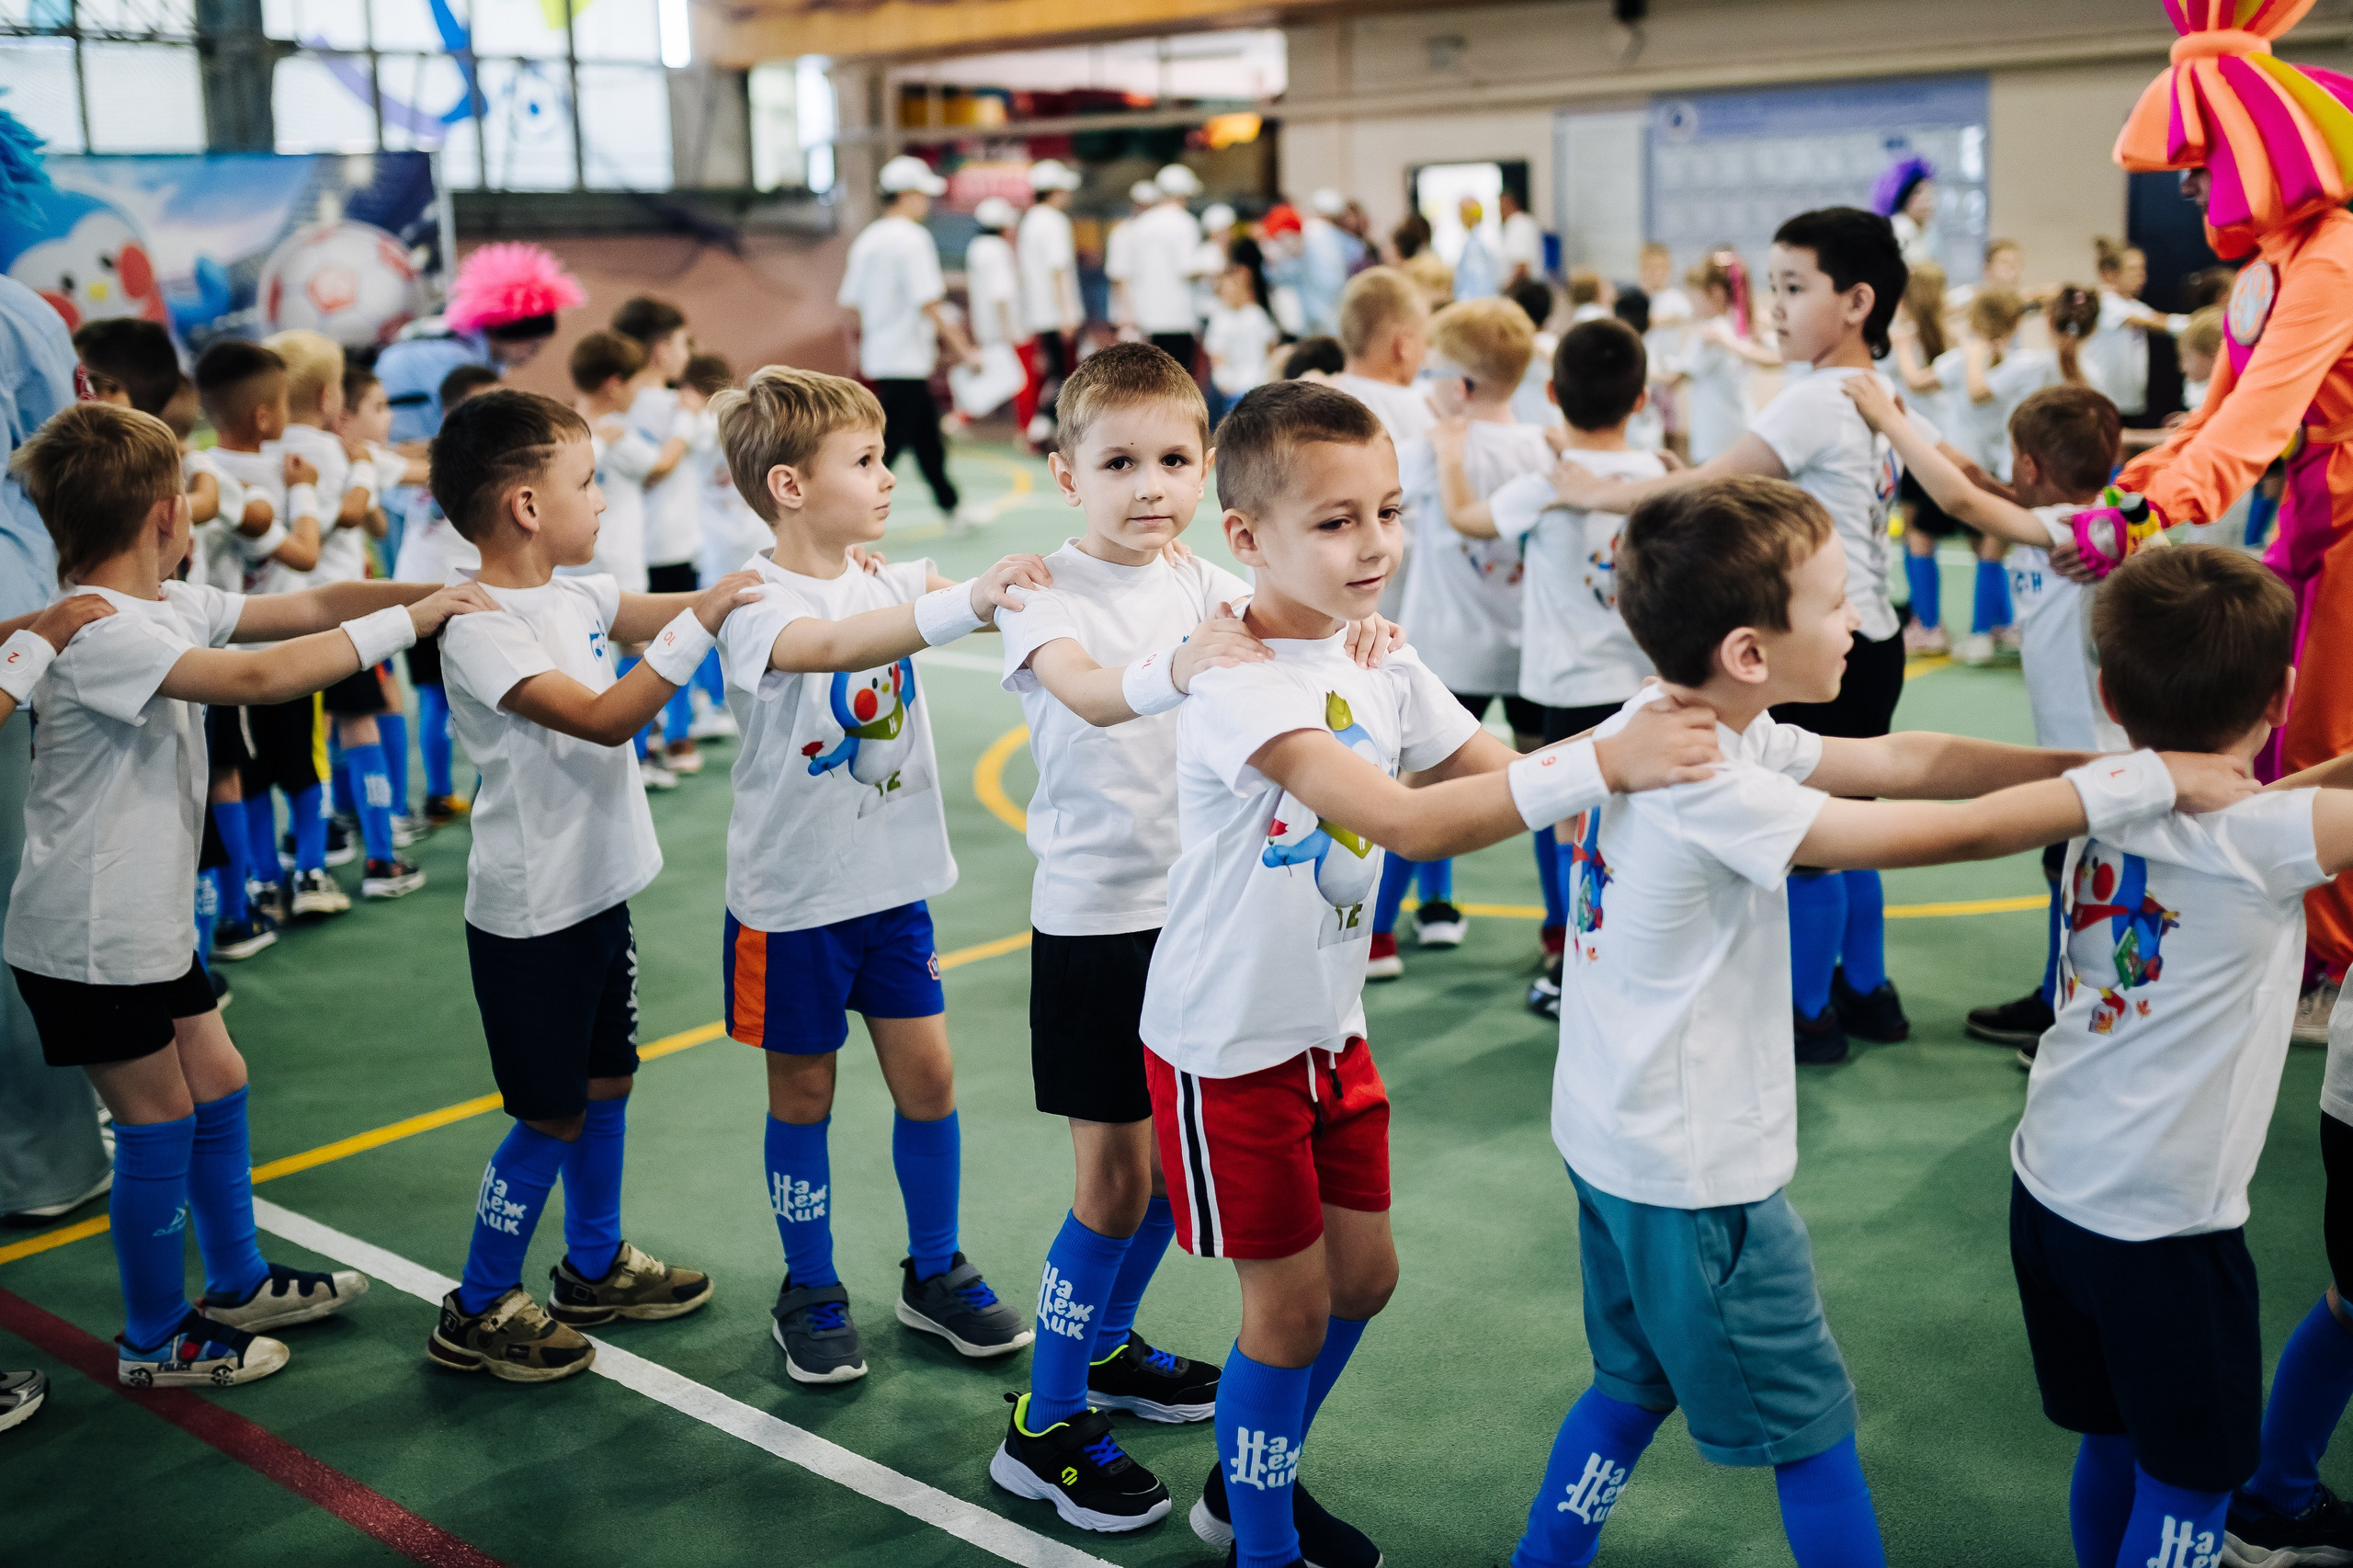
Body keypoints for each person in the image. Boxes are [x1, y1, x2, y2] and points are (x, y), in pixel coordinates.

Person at [1509, 474, 2251, 1568]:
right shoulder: (1715, 785)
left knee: (1632, 1382)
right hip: (1697, 1179)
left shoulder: (1676, 722)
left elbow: (1908, 761)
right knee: (1812, 1435)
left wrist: (2104, 763)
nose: (1856, 619)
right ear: (1750, 651)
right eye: (1834, 600)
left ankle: (1541, 1557)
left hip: (1613, 1151)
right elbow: (1930, 834)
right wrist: (2129, 793)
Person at [1141, 378, 1725, 1568]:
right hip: (1225, 1041)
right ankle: (1257, 1542)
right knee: (1289, 1310)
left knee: (1364, 1278)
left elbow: (1497, 764)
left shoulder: (1382, 662)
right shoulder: (1234, 681)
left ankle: (1245, 1481)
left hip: (1326, 1028)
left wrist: (1644, 748)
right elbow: (1404, 822)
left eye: (1390, 512)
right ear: (1245, 536)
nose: (1377, 546)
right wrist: (1605, 760)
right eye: (1339, 521)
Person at [6, 400, 498, 1388]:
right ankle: (154, 1337)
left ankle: (234, 1279)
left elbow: (314, 604)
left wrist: (462, 587)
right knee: (155, 1124)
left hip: (142, 920)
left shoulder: (164, 604)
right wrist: (419, 621)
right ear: (163, 514)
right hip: (91, 935)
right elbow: (267, 675)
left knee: (219, 1078)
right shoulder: (105, 634)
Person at [1546, 206, 1976, 1064]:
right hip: (1872, 633)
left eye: (1790, 287)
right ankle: (1867, 990)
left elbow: (1703, 492)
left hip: (1817, 641)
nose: (1771, 307)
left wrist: (1592, 493)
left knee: (1814, 845)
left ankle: (1807, 1014)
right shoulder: (1879, 391)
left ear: (1856, 301)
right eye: (1768, 286)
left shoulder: (1818, 397)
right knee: (1853, 826)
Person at [1997, 545, 2353, 1568]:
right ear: (2283, 696)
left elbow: (2283, 793)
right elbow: (2291, 808)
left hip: (2050, 1190)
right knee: (2191, 1481)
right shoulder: (2268, 837)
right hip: (2167, 1231)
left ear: (2107, 693)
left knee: (2114, 1440)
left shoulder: (2097, 791)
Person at [989, 343, 1290, 1531]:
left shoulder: (1208, 582)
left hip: (1198, 921)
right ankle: (1043, 1421)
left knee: (1172, 1164)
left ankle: (1106, 1349)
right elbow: (1090, 689)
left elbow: (1293, 642)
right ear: (1067, 472)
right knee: (1113, 1187)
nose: (1150, 483)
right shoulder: (1037, 592)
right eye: (1119, 460)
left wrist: (1359, 642)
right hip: (1096, 927)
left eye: (1174, 457)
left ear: (1207, 465)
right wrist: (1190, 660)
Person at [704, 365, 1045, 1387]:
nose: (889, 475)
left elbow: (965, 606)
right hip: (791, 906)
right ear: (789, 486)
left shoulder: (892, 577)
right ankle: (808, 1284)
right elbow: (837, 645)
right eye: (865, 459)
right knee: (803, 1094)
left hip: (891, 893)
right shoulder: (758, 603)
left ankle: (933, 1270)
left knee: (929, 1079)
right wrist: (961, 603)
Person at [423, 389, 758, 1383]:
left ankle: (595, 1261)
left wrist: (760, 588)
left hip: (595, 894)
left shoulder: (572, 592)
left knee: (609, 1078)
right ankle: (479, 1302)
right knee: (549, 1112)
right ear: (527, 505)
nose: (603, 500)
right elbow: (608, 714)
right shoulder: (481, 626)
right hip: (532, 916)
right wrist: (702, 624)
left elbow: (665, 609)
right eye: (587, 482)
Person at [2100, 2, 2353, 1042]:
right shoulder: (2273, 261)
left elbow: (2254, 420)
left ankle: (2329, 966)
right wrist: (2132, 496)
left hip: (2343, 509)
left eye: (2202, 161)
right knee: (2286, 722)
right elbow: (2210, 418)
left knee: (2323, 733)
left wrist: (2149, 508)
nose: (2192, 185)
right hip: (2310, 505)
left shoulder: (2334, 251)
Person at [1846, 377, 2131, 1057]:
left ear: (2030, 468)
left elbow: (1958, 496)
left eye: (2013, 457)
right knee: (2064, 876)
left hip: (2098, 754)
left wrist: (1888, 419)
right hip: (2071, 751)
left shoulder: (2071, 529)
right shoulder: (2063, 516)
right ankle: (2056, 997)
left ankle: (2080, 1016)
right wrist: (1912, 419)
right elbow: (1973, 476)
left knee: (2090, 886)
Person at [1434, 316, 1665, 1016]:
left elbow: (1468, 520)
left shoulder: (1551, 479)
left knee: (1573, 832)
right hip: (1646, 682)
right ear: (1643, 399)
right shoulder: (1659, 474)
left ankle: (1576, 964)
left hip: (1570, 683)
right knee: (1644, 827)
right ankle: (1636, 955)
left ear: (1554, 398)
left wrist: (1449, 452)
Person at [1381, 297, 1555, 980]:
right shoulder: (1546, 447)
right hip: (1528, 652)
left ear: (1459, 385)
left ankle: (1377, 935)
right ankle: (1560, 929)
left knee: (1417, 790)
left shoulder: (1433, 448)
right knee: (1549, 786)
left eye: (1433, 372)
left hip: (1452, 649)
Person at [192, 340, 341, 926]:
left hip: (224, 655)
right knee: (301, 766)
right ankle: (309, 870)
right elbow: (307, 552)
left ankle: (261, 880)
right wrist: (302, 488)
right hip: (285, 649)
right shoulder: (272, 474)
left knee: (245, 775)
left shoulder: (201, 471)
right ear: (264, 415)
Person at [836, 154, 986, 529]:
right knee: (886, 447)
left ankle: (951, 506)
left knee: (926, 438)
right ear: (904, 195)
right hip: (904, 359)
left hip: (883, 358)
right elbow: (929, 301)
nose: (926, 202)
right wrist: (964, 350)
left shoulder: (868, 240)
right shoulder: (912, 239)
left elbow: (850, 304)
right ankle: (844, 515)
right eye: (921, 194)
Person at [392, 364, 500, 829]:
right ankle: (442, 794)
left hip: (462, 591)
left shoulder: (442, 455)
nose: (494, 414)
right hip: (429, 592)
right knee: (439, 697)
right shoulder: (459, 460)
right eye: (482, 404)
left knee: (478, 696)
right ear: (450, 410)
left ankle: (481, 791)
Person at [375, 242, 585, 444]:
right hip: (401, 458)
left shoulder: (453, 339)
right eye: (532, 346)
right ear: (508, 333)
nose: (533, 355)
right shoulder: (458, 361)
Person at [1674, 251, 1778, 466]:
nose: (1692, 304)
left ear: (1716, 293)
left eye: (1695, 295)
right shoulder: (1737, 326)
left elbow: (1674, 379)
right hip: (1740, 429)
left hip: (1714, 438)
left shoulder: (1712, 333)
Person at [1108, 165, 1207, 373]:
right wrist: (1209, 266)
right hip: (1179, 318)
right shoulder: (1184, 222)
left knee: (1154, 382)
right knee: (1181, 382)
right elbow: (1188, 268)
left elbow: (1125, 273)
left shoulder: (1141, 225)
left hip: (1147, 318)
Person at [1017, 159, 1086, 449]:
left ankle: (1041, 428)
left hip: (1039, 314)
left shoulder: (1029, 222)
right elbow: (1058, 270)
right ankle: (1046, 428)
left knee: (1052, 374)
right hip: (1057, 314)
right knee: (1063, 376)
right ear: (1055, 191)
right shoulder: (1054, 222)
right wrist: (1067, 313)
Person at [1204, 261, 1279, 426]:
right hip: (1234, 391)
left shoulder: (1256, 315)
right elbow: (1217, 358)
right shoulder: (1219, 320)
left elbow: (1270, 349)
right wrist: (1226, 384)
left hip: (1260, 385)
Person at [965, 198, 1024, 358]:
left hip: (985, 335)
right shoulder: (997, 250)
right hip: (1001, 337)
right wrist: (1009, 338)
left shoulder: (976, 247)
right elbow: (1001, 295)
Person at [1872, 154, 1939, 269]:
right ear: (1903, 197)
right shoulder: (1897, 230)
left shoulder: (1928, 233)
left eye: (1929, 193)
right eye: (1917, 192)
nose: (1926, 201)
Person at [1497, 188, 1542, 293]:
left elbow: (1522, 268)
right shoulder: (1525, 223)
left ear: (1510, 203)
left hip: (1523, 292)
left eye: (1501, 205)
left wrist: (1504, 291)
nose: (1500, 210)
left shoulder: (1518, 224)